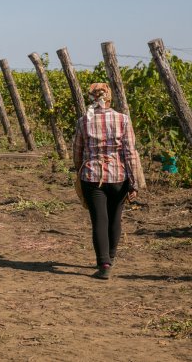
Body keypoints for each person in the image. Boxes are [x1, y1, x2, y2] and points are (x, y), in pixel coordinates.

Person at [73, 83, 145, 280]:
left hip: (91, 176)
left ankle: (103, 264)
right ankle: (111, 257)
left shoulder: (83, 121)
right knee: (115, 217)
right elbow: (130, 153)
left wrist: (80, 171)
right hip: (118, 177)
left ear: (91, 98)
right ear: (109, 98)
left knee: (99, 220)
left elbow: (77, 152)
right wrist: (133, 182)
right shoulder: (123, 119)